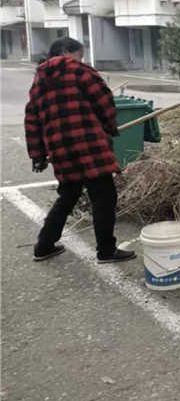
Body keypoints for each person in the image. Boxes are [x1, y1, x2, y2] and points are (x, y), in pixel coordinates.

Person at [25, 37, 136, 264]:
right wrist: (109, 126)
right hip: (89, 145)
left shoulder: (40, 80)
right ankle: (106, 251)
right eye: (80, 55)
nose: (81, 59)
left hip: (60, 150)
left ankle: (43, 246)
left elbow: (32, 119)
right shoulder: (80, 72)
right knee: (104, 196)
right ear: (67, 52)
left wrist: (37, 155)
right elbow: (104, 99)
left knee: (67, 196)